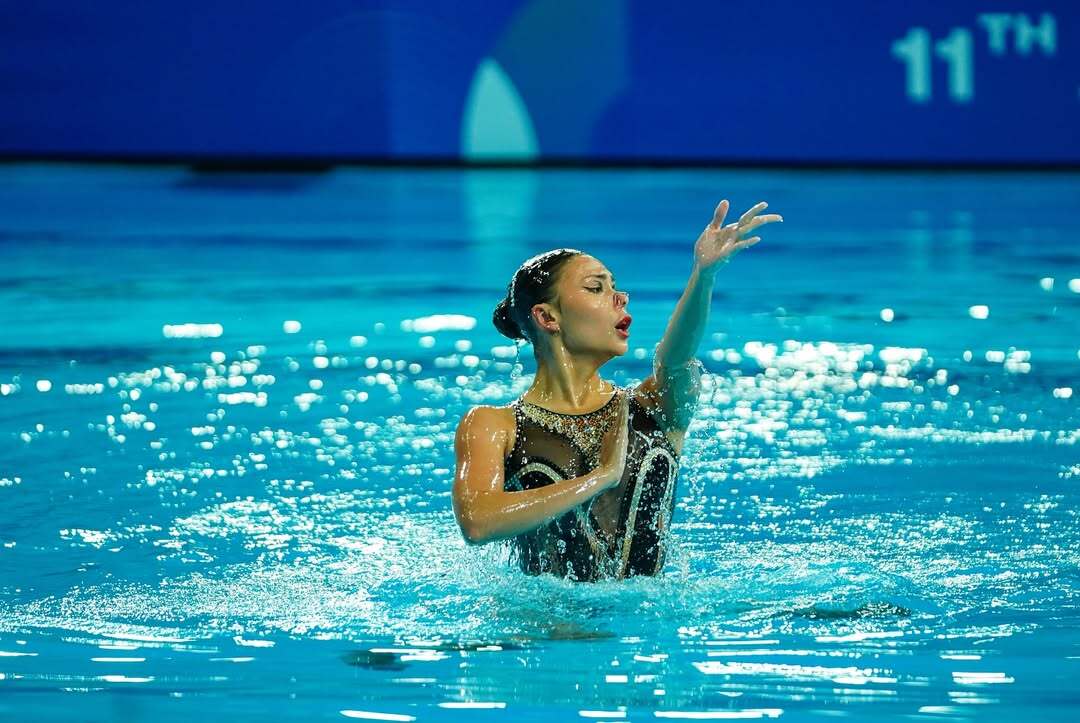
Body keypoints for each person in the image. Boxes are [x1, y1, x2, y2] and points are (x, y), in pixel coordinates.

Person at [452, 200, 783, 581]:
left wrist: (703, 276)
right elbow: (478, 521)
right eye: (596, 287)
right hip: (543, 618)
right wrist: (601, 477)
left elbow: (675, 359)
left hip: (652, 617)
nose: (620, 297)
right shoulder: (494, 425)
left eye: (615, 286)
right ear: (547, 317)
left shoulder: (652, 409)